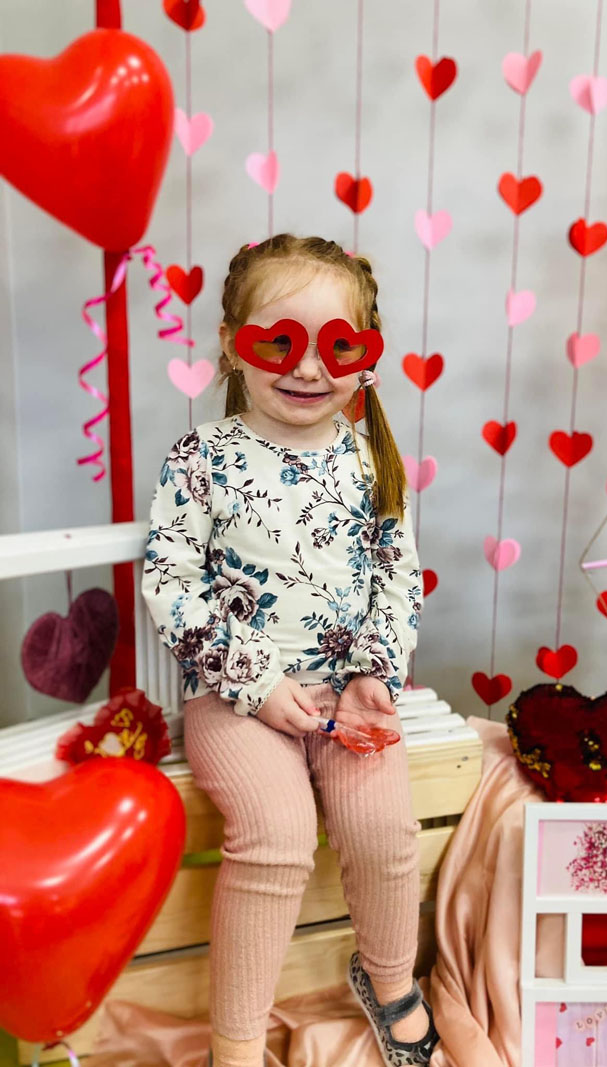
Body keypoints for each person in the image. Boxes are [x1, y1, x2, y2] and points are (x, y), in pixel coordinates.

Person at [141, 234, 436, 1067]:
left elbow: (396, 573)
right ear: (232, 343)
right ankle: (236, 1039)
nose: (308, 368)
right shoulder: (204, 458)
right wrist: (258, 684)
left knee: (386, 833)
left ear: (365, 354)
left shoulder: (368, 456)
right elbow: (171, 580)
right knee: (275, 836)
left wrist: (375, 673)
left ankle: (389, 979)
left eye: (337, 345)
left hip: (349, 695)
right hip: (238, 700)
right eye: (279, 341)